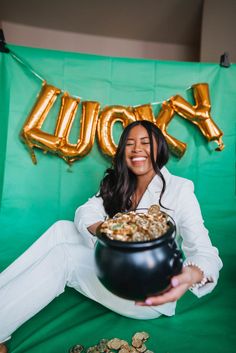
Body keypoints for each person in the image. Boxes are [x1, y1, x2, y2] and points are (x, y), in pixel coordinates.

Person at [0, 121, 222, 353]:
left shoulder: (180, 189)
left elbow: (206, 254)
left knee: (65, 256)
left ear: (160, 149)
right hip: (115, 269)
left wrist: (188, 276)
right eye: (130, 144)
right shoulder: (120, 182)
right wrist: (113, 233)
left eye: (145, 143)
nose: (137, 149)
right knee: (62, 229)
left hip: (145, 294)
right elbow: (85, 211)